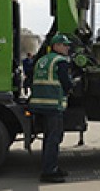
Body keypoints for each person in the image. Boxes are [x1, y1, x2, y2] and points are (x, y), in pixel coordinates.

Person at [28, 34, 74, 183]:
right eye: (64, 44)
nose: (67, 47)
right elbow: (66, 83)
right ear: (56, 46)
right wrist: (73, 85)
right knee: (54, 138)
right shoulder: (60, 61)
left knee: (48, 138)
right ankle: (49, 171)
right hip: (53, 105)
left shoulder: (42, 60)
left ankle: (51, 166)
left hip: (39, 104)